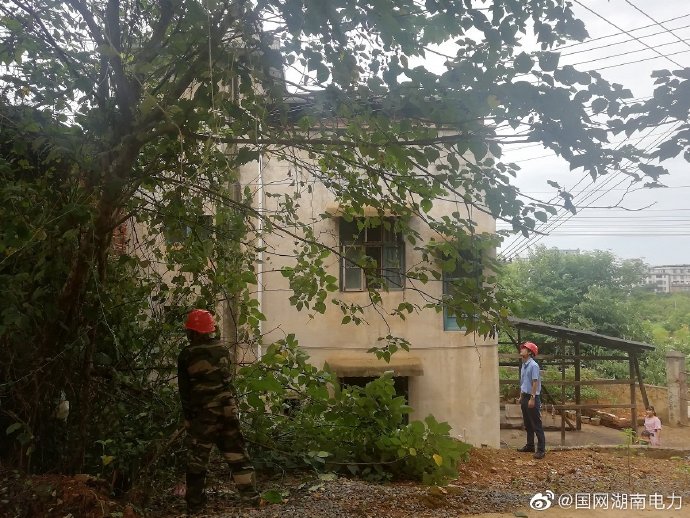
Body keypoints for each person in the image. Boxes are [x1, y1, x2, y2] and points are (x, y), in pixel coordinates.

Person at [177, 309, 258, 514]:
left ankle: (195, 505)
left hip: (205, 412)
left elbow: (185, 391)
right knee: (237, 453)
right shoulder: (222, 349)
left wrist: (189, 418)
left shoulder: (187, 354)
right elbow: (227, 379)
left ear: (192, 332)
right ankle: (251, 498)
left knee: (197, 459)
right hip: (228, 408)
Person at [516, 341, 546, 459]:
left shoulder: (534, 365)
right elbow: (523, 382)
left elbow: (535, 382)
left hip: (532, 397)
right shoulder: (524, 365)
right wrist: (521, 396)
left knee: (536, 424)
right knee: (528, 423)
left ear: (529, 352)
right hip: (525, 396)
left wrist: (532, 398)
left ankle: (541, 450)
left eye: (524, 348)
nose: (521, 350)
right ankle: (530, 445)